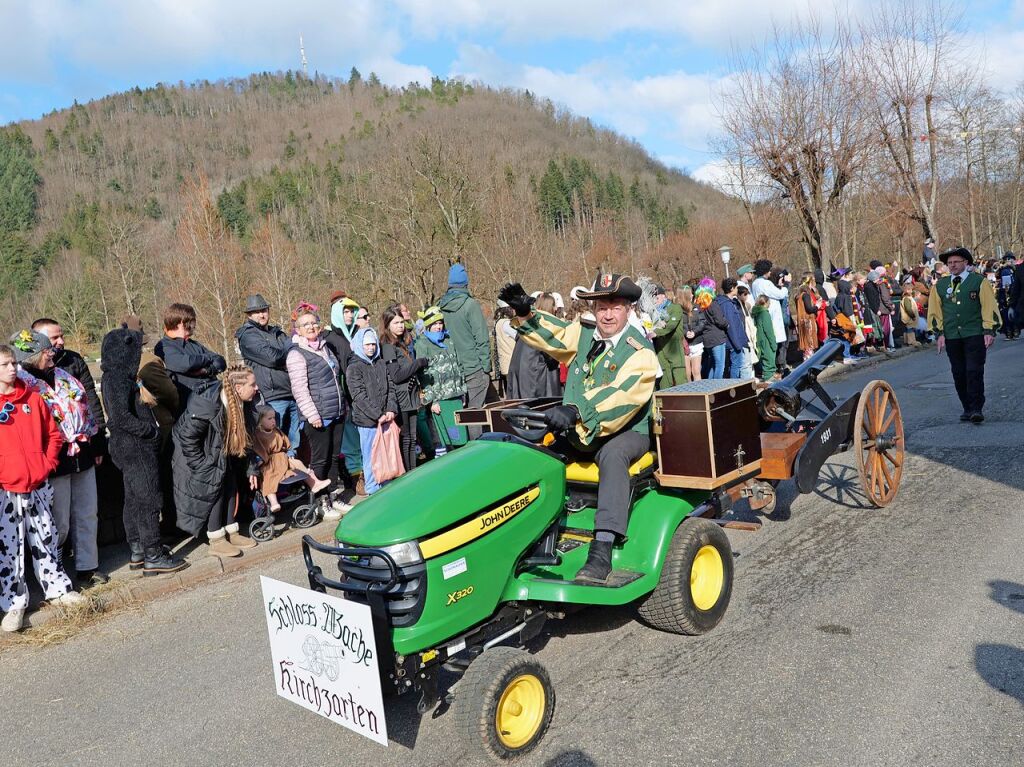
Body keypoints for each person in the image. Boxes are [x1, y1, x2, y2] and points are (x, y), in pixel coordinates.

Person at [499, 274, 658, 583]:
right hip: (584, 429)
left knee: (612, 456)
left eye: (615, 306)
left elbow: (621, 398)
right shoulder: (585, 336)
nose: (607, 314)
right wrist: (525, 313)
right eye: (601, 307)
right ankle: (530, 532)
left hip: (626, 431)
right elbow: (554, 334)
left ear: (629, 309)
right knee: (537, 455)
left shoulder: (640, 353)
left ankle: (601, 551)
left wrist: (575, 410)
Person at [0, 343, 85, 632]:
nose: (12, 368)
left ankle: (58, 590)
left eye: (13, 363)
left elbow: (53, 434)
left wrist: (45, 465)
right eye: (5, 365)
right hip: (7, 489)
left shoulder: (33, 399)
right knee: (10, 549)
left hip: (37, 482)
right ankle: (14, 603)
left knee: (46, 539)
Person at [12, 330, 105, 586]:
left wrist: (95, 443)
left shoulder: (64, 377)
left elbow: (86, 408)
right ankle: (56, 571)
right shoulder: (22, 385)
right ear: (31, 356)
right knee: (58, 521)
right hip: (53, 460)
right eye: (45, 351)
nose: (51, 354)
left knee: (87, 512)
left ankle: (88, 567)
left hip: (81, 452)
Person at [100, 327, 188, 577]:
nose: (139, 354)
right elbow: (119, 418)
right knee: (149, 498)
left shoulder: (116, 377)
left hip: (129, 444)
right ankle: (153, 554)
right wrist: (149, 432)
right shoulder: (116, 378)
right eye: (135, 349)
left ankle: (139, 548)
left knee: (135, 498)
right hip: (134, 445)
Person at [171, 363, 260, 557]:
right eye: (252, 385)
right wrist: (200, 466)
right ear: (238, 388)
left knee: (230, 485)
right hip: (196, 453)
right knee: (215, 490)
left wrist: (252, 468)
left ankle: (232, 532)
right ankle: (217, 539)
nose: (256, 388)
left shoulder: (244, 402)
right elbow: (187, 438)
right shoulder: (208, 403)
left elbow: (248, 438)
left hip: (217, 451)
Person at [927, 247, 1000, 423]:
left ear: (965, 263)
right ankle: (967, 407)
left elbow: (989, 306)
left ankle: (976, 408)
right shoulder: (941, 286)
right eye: (949, 263)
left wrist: (989, 330)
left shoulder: (979, 282)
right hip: (952, 335)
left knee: (974, 370)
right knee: (958, 372)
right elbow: (935, 311)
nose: (952, 265)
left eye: (956, 262)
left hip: (974, 333)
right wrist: (939, 333)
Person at [286, 311, 349, 516]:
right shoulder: (297, 354)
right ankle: (322, 502)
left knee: (333, 456)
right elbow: (300, 389)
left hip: (336, 410)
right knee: (320, 459)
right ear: (298, 330)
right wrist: (312, 415)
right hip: (318, 415)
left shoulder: (325, 348)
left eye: (314, 323)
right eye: (306, 324)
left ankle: (333, 496)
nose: (311, 327)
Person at [31, 318, 107, 460]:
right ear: (38, 341)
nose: (61, 341)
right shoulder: (29, 371)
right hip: (54, 451)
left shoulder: (74, 360)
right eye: (55, 338)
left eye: (62, 336)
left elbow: (91, 399)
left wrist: (99, 439)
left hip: (84, 443)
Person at [236, 294, 300, 455]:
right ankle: (276, 478)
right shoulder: (248, 335)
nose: (262, 314)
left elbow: (296, 351)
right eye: (257, 312)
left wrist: (286, 353)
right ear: (249, 315)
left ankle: (294, 478)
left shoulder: (277, 332)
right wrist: (286, 354)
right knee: (273, 444)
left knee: (293, 445)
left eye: (264, 310)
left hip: (291, 393)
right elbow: (272, 358)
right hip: (270, 396)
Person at [439, 263, 491, 435]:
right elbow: (482, 338)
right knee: (475, 413)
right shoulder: (470, 305)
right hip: (474, 367)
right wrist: (486, 367)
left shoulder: (441, 307)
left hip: (452, 370)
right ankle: (477, 451)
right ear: (465, 282)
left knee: (459, 414)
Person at [346, 328, 399, 496]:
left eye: (373, 344)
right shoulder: (354, 368)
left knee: (387, 454)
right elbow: (358, 395)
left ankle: (387, 484)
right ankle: (372, 488)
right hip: (368, 421)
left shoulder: (381, 363)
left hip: (386, 417)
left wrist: (391, 408)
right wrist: (377, 414)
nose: (371, 348)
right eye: (367, 344)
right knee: (371, 456)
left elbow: (391, 387)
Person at [324, 291, 365, 495]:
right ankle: (356, 477)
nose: (349, 315)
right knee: (350, 439)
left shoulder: (358, 332)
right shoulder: (329, 337)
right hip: (345, 393)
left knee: (364, 436)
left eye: (352, 311)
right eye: (345, 311)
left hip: (363, 392)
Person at [379, 303, 429, 472]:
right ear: (387, 325)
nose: (400, 326)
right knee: (406, 438)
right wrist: (417, 364)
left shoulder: (402, 343)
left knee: (412, 438)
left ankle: (413, 471)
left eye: (401, 322)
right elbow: (396, 375)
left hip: (411, 396)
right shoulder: (388, 347)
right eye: (395, 323)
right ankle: (408, 473)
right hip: (401, 398)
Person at [252, 406, 330, 511]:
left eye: (274, 418)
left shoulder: (277, 431)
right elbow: (258, 450)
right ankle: (273, 502)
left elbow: (286, 443)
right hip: (269, 463)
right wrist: (260, 460)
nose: (273, 421)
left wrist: (289, 452)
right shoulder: (258, 434)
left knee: (297, 463)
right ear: (260, 421)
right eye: (269, 419)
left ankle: (314, 483)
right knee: (268, 478)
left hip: (283, 458)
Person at [414, 306, 467, 457]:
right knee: (445, 440)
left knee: (460, 437)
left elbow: (459, 365)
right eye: (435, 324)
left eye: (440, 323)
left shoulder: (449, 340)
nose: (438, 326)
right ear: (428, 325)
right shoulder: (422, 344)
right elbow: (423, 375)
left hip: (455, 397)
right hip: (440, 401)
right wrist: (432, 401)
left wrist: (462, 391)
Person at [155, 303, 227, 412]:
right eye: (192, 321)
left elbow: (221, 361)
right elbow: (186, 364)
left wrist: (207, 370)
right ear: (181, 322)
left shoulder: (194, 344)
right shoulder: (164, 346)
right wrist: (207, 358)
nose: (194, 326)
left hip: (214, 400)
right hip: (190, 409)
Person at [507, 293, 563, 398]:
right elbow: (551, 357)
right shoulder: (544, 327)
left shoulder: (528, 324)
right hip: (536, 375)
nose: (556, 308)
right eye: (554, 305)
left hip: (523, 372)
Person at [751, 260, 790, 375]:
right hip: (771, 314)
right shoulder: (765, 283)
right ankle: (773, 370)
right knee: (773, 344)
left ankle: (773, 369)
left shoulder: (755, 283)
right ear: (766, 271)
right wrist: (786, 285)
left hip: (765, 312)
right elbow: (779, 294)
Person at [651, 285, 687, 389]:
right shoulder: (653, 312)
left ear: (663, 296)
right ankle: (666, 403)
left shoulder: (675, 308)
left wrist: (656, 332)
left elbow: (671, 325)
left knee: (680, 378)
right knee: (664, 380)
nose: (654, 300)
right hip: (660, 348)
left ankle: (684, 402)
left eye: (656, 298)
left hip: (673, 347)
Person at [714, 278, 751, 379]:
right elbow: (731, 327)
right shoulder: (726, 305)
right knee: (736, 366)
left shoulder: (730, 302)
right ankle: (734, 386)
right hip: (734, 343)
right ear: (731, 288)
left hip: (736, 341)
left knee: (736, 365)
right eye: (736, 287)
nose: (737, 289)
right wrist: (738, 345)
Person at [695, 279, 728, 379]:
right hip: (717, 337)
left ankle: (710, 387)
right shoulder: (713, 304)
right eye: (713, 287)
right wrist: (727, 324)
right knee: (720, 366)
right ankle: (717, 389)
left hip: (706, 338)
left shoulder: (699, 305)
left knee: (713, 365)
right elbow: (720, 321)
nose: (715, 289)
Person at [679, 286, 705, 382]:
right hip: (684, 344)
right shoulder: (678, 310)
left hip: (696, 343)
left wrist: (694, 332)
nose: (692, 295)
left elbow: (703, 322)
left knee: (696, 371)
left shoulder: (697, 307)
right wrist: (686, 333)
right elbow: (679, 326)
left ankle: (700, 394)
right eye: (690, 293)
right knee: (687, 373)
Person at [493, 303, 517, 397]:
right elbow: (518, 335)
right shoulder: (506, 323)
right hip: (511, 362)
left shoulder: (499, 322)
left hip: (505, 362)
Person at [752, 296, 778, 380]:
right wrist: (773, 343)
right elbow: (768, 330)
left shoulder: (756, 312)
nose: (770, 303)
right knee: (769, 360)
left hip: (760, 339)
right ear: (765, 303)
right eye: (769, 302)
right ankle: (769, 379)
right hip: (766, 340)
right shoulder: (764, 313)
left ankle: (768, 376)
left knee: (764, 359)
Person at [995, 254, 1018, 340]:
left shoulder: (1015, 269)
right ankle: (1011, 331)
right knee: (1007, 312)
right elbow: (1006, 284)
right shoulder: (1004, 270)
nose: (1012, 261)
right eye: (1011, 259)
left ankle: (1014, 330)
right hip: (1007, 294)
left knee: (1012, 312)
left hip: (1012, 292)